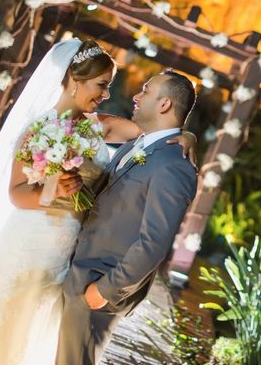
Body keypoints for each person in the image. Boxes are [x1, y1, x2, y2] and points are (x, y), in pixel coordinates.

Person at [0, 38, 196, 365]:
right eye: (102, 85)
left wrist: (187, 135)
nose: (106, 95)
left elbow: (153, 134)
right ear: (76, 81)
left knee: (38, 329)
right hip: (33, 238)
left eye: (108, 87)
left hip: (70, 253)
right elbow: (17, 193)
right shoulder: (36, 131)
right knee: (2, 315)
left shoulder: (99, 126)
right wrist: (53, 192)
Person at [56, 69, 198, 365]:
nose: (135, 96)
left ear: (164, 104)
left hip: (97, 285)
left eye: (145, 90)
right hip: (78, 269)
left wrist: (104, 290)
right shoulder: (139, 144)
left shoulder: (175, 166)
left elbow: (154, 243)